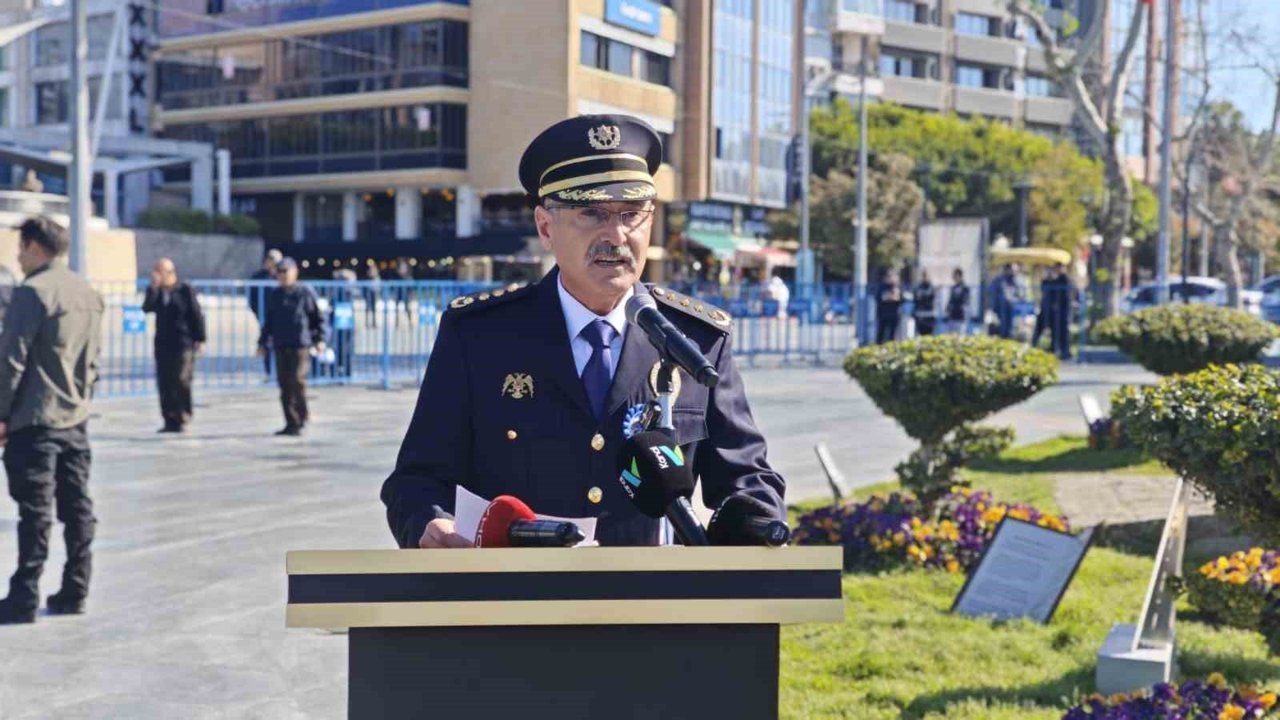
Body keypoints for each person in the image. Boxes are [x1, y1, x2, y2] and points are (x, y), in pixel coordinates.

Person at [381, 114, 785, 549]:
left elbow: (746, 478)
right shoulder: (479, 336)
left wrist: (757, 522)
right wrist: (431, 523)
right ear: (545, 227)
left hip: (650, 590)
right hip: (520, 587)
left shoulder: (693, 340)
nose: (617, 235)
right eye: (591, 213)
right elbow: (417, 480)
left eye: (632, 214)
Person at [0, 217, 105, 624]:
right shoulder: (87, 293)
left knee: (35, 511)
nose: (18, 257)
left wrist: (2, 414)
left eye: (20, 249)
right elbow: (93, 362)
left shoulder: (32, 292)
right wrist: (80, 401)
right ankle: (76, 589)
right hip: (75, 419)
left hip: (35, 419)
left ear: (34, 247)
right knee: (77, 508)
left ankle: (24, 596)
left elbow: (11, 361)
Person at [257, 258, 327, 436]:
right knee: (284, 384)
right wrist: (262, 343)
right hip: (281, 344)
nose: (282, 275)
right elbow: (269, 322)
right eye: (279, 272)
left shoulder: (304, 292)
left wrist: (320, 339)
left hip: (300, 345)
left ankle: (302, 416)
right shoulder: (275, 295)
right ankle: (291, 422)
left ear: (295, 272)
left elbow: (317, 318)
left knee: (297, 380)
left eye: (285, 271)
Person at [142, 258, 206, 433]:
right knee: (165, 381)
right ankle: (169, 419)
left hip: (183, 343)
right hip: (163, 343)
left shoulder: (184, 290)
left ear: (170, 273)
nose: (156, 275)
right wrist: (153, 288)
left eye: (160, 271)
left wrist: (201, 338)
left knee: (181, 379)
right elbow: (147, 308)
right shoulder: (157, 291)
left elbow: (196, 314)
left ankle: (183, 415)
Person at [249, 249, 282, 378]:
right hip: (264, 315)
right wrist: (258, 313)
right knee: (266, 343)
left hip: (281, 316)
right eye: (271, 260)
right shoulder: (258, 277)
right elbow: (252, 298)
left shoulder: (282, 275)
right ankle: (269, 372)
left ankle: (280, 372)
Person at [874, 268, 902, 344]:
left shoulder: (897, 287)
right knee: (881, 333)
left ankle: (891, 348)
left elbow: (902, 299)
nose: (891, 278)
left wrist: (897, 297)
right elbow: (878, 298)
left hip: (894, 314)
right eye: (889, 276)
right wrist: (886, 297)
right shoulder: (882, 287)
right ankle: (878, 347)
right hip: (883, 314)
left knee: (893, 335)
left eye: (893, 276)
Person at [945, 268, 971, 334]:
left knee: (960, 336)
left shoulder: (965, 288)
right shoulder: (953, 288)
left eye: (956, 276)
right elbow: (950, 300)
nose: (954, 278)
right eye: (954, 276)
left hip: (960, 317)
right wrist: (948, 308)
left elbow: (965, 302)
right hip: (952, 316)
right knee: (950, 335)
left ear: (960, 276)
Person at [912, 270, 937, 336]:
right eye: (924, 276)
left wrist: (923, 297)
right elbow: (916, 300)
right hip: (920, 315)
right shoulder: (918, 287)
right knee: (920, 335)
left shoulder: (932, 287)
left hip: (930, 315)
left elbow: (932, 299)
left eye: (926, 276)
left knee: (930, 336)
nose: (925, 278)